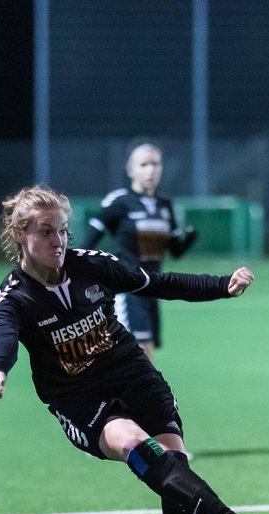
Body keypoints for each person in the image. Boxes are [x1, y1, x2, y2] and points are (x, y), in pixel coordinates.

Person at [0, 185, 269, 514]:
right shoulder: (12, 297)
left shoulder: (91, 264)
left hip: (133, 374)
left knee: (172, 471)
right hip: (80, 399)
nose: (59, 240)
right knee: (141, 448)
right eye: (46, 232)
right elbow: (5, 339)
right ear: (20, 235)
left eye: (62, 230)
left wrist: (223, 285)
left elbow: (159, 284)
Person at [81, 142, 197, 361]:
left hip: (153, 289)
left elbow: (176, 252)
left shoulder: (165, 205)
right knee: (140, 353)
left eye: (155, 163)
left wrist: (189, 239)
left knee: (138, 355)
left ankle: (115, 392)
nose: (151, 170)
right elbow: (88, 244)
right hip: (128, 289)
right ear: (130, 169)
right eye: (143, 164)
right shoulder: (120, 202)